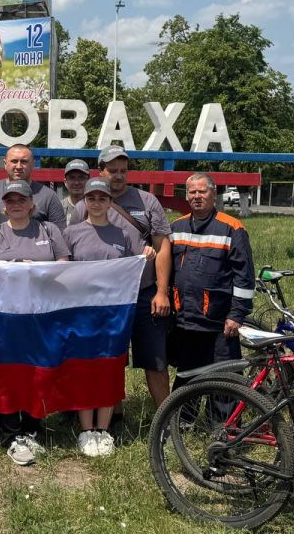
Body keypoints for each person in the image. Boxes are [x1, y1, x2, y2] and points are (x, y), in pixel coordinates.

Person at [0, 180, 70, 466]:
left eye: (21, 200)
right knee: (8, 372)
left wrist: (36, 270)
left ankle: (33, 426)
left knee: (39, 370)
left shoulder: (48, 230)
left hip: (42, 314)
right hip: (4, 316)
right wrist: (9, 269)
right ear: (3, 206)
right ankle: (12, 433)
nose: (16, 205)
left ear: (31, 204)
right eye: (10, 201)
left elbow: (65, 264)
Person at [74, 145, 173, 412]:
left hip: (143, 292)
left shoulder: (147, 201)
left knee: (155, 359)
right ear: (100, 171)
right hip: (103, 298)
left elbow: (163, 246)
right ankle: (112, 415)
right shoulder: (84, 205)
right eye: (112, 170)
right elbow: (72, 247)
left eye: (123, 171)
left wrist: (161, 292)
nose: (118, 176)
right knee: (109, 358)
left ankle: (166, 418)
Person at [64, 177, 154, 457]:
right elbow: (62, 271)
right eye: (91, 198)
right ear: (84, 201)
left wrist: (146, 254)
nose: (96, 203)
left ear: (110, 202)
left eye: (102, 198)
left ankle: (103, 430)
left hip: (113, 315)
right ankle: (85, 429)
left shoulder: (122, 235)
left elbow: (131, 267)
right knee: (82, 370)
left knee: (109, 369)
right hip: (81, 313)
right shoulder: (71, 233)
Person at [169, 173, 255, 390]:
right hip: (186, 321)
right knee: (187, 379)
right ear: (186, 196)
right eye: (192, 192)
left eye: (202, 191)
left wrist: (236, 315)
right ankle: (184, 413)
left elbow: (244, 276)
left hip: (220, 323)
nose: (197, 196)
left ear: (213, 194)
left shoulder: (232, 228)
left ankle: (223, 414)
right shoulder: (176, 227)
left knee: (225, 381)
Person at [0, 144, 67, 230]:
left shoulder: (48, 196)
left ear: (33, 164)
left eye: (24, 161)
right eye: (14, 161)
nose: (18, 166)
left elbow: (59, 232)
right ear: (5, 164)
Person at [60, 159, 90, 226]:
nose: (76, 182)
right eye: (72, 178)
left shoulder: (96, 208)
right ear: (65, 182)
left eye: (81, 177)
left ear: (88, 181)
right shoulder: (58, 208)